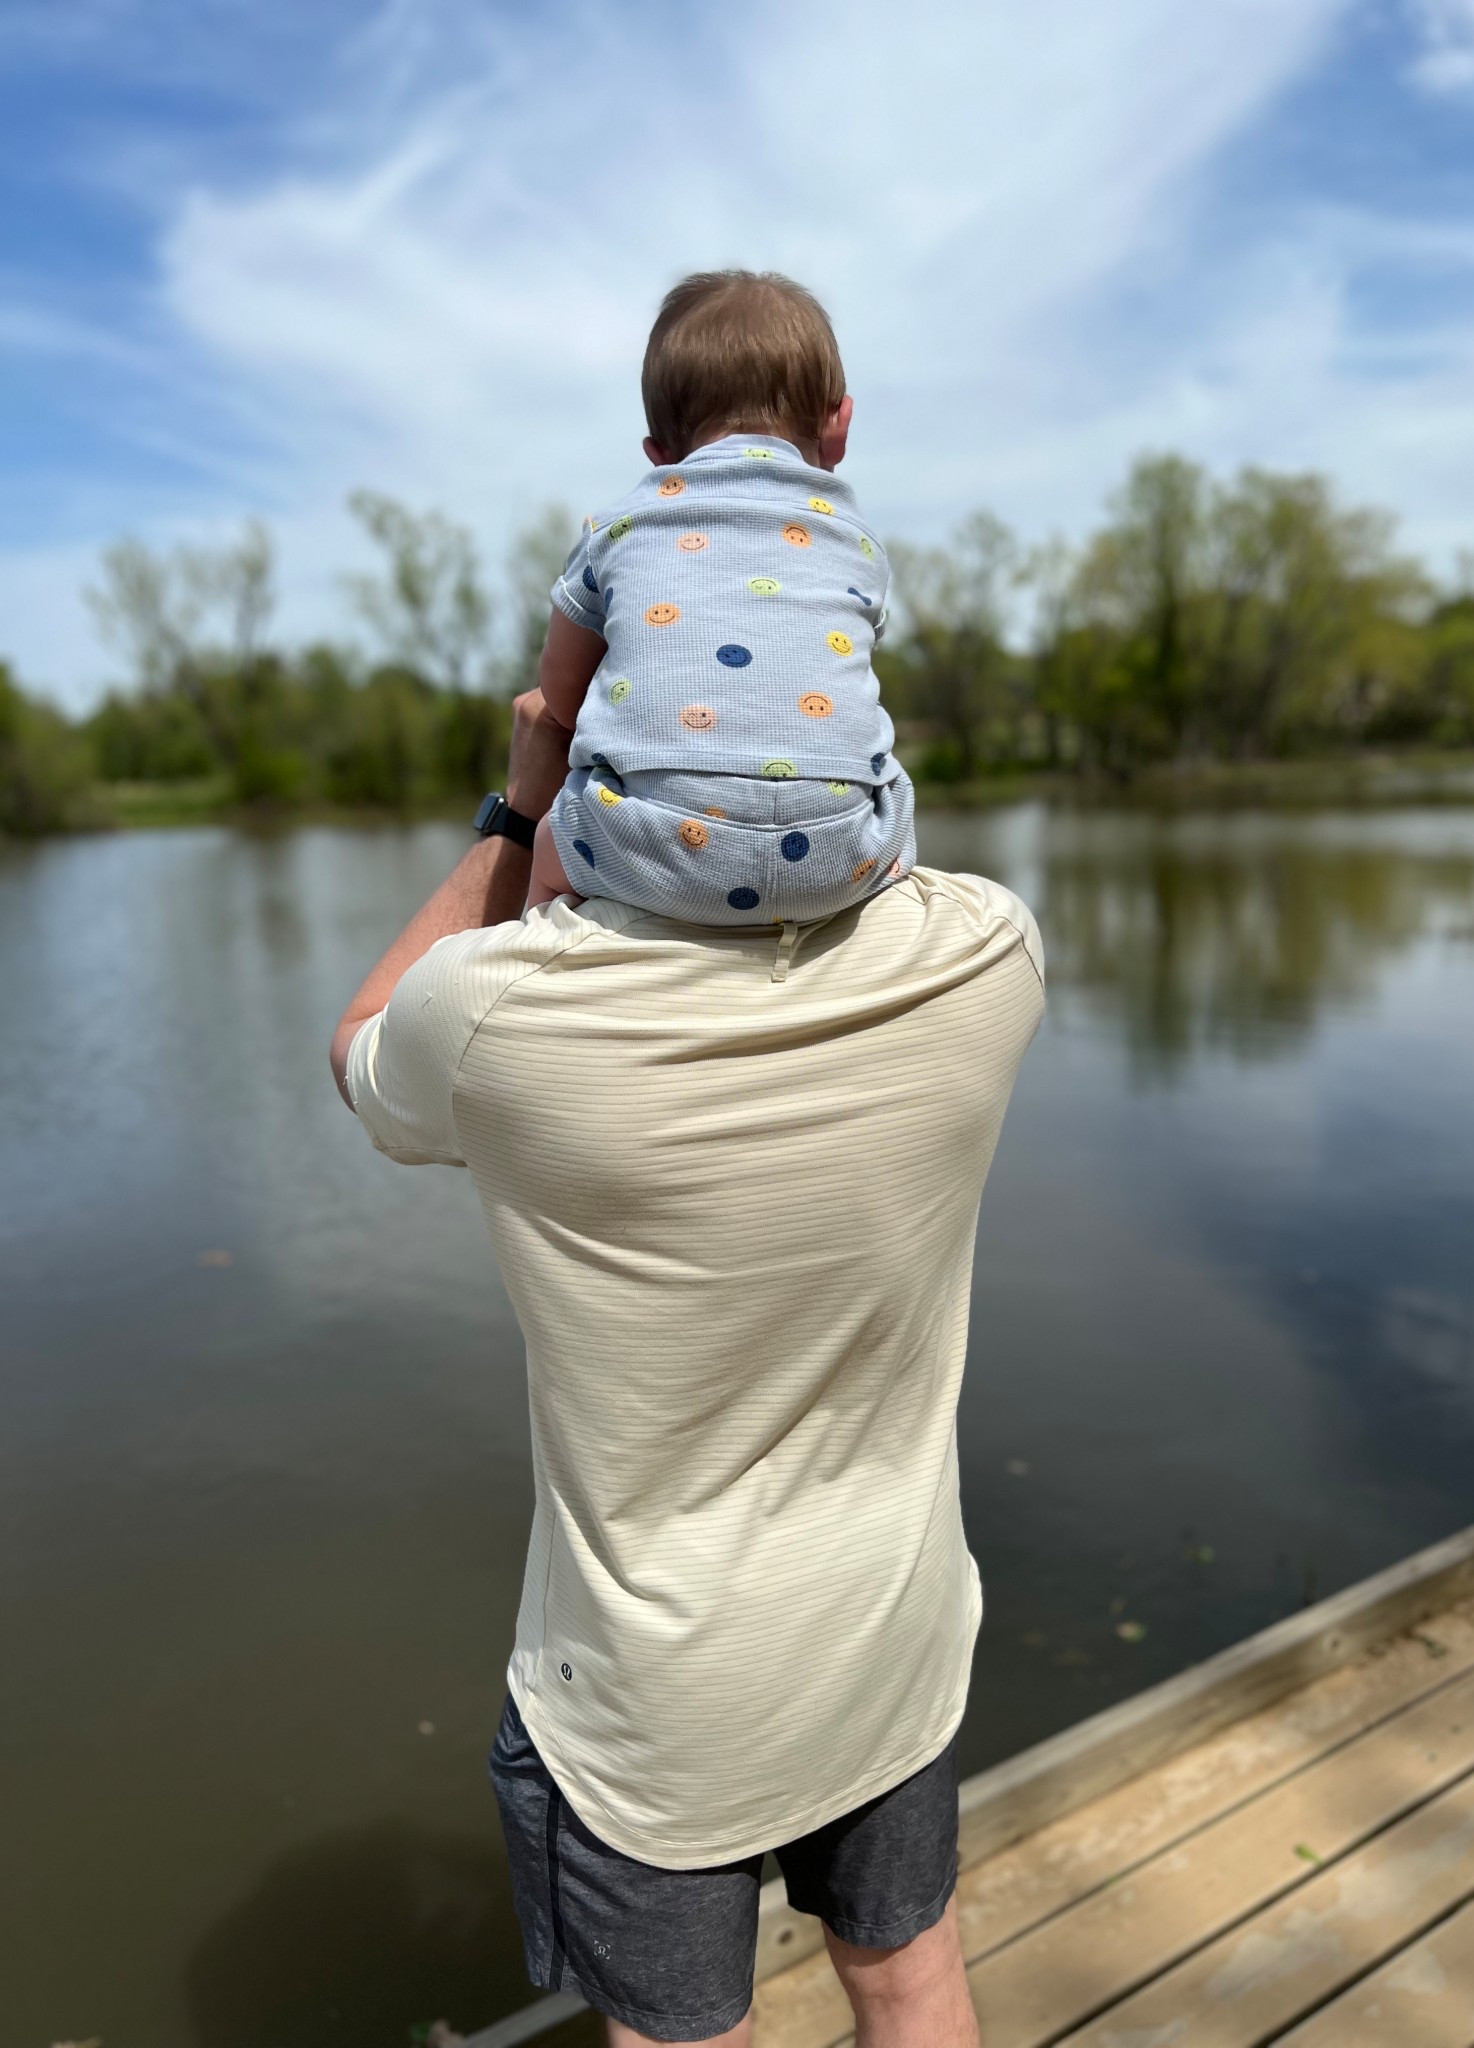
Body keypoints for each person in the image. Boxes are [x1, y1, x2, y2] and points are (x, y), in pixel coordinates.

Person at [330, 292, 1045, 2047]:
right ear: (839, 439)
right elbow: (891, 838)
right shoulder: (986, 962)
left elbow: (361, 1047)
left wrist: (525, 802)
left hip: (651, 1711)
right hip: (886, 1645)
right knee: (916, 1972)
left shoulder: (503, 1021)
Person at [526, 270, 915, 925]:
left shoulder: (619, 526)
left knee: (546, 844)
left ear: (659, 455)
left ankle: (541, 975)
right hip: (845, 855)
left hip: (651, 852)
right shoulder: (858, 541)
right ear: (839, 424)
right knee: (889, 788)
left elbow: (561, 693)